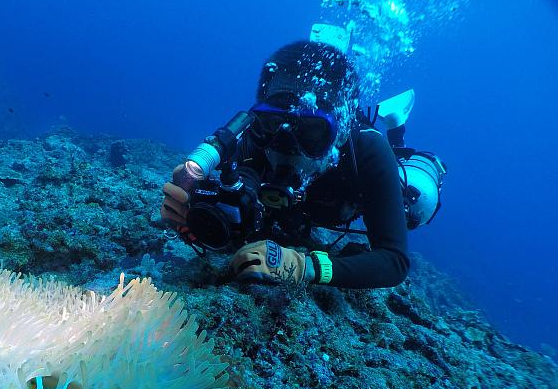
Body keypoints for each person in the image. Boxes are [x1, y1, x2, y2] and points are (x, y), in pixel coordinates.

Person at [160, 40, 414, 289]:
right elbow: (236, 190)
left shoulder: (369, 151)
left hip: (346, 201)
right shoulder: (256, 137)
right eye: (273, 123)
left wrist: (306, 266)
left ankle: (396, 128)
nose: (287, 147)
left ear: (342, 132)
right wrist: (194, 210)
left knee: (415, 205)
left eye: (313, 131)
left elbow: (394, 260)